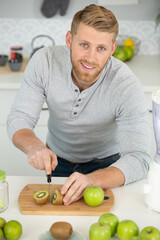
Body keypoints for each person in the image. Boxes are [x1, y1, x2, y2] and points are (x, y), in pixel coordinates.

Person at [7, 4, 151, 205]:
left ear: (112, 49)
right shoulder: (44, 62)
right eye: (84, 44)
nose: (91, 58)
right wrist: (35, 147)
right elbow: (19, 118)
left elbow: (139, 158)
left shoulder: (126, 85)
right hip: (56, 161)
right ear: (69, 39)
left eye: (101, 48)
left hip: (108, 168)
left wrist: (93, 180)